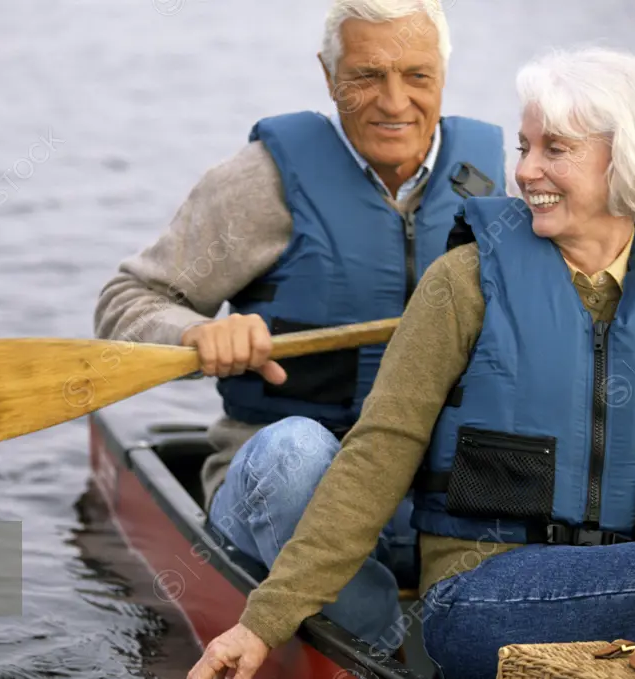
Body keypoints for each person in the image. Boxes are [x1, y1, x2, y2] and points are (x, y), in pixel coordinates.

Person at [187, 46, 635, 679]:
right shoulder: (463, 281)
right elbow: (378, 454)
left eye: (556, 150)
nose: (525, 173)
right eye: (523, 148)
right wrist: (262, 622)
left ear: (628, 159)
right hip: (485, 596)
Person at [93, 0, 506, 652]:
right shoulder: (261, 183)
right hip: (280, 491)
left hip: (428, 497)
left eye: (417, 76)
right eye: (367, 75)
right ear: (328, 74)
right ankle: (384, 647)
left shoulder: (500, 189)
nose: (394, 101)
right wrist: (192, 335)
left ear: (444, 75)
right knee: (295, 454)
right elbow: (129, 298)